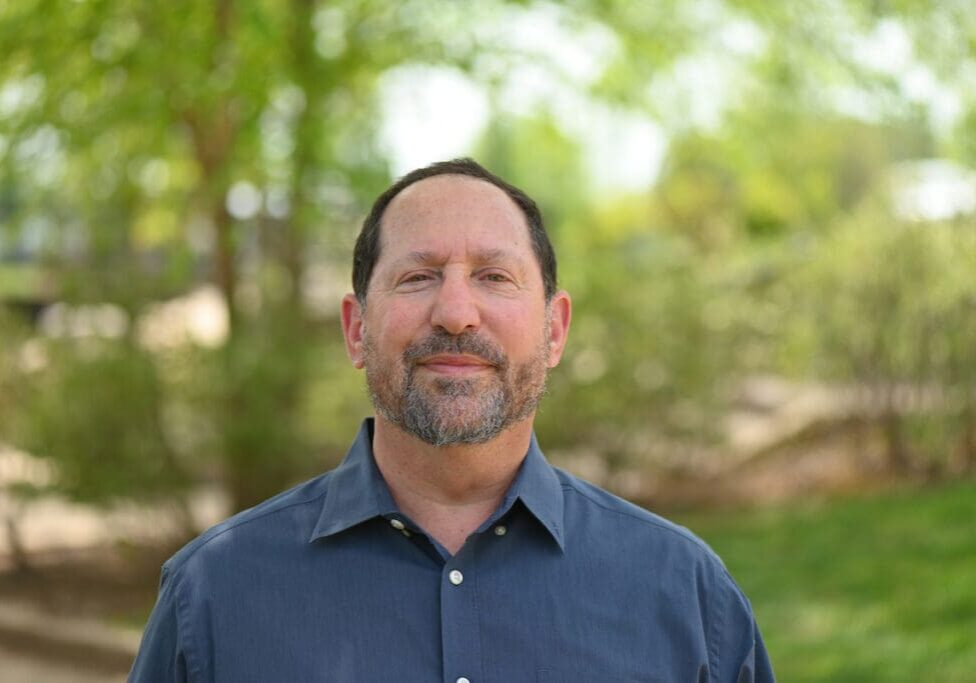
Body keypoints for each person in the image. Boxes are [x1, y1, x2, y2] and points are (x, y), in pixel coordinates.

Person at [130, 158, 775, 682]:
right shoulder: (213, 596)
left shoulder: (686, 596)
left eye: (494, 276)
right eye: (418, 277)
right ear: (357, 331)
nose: (457, 312)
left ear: (554, 331)